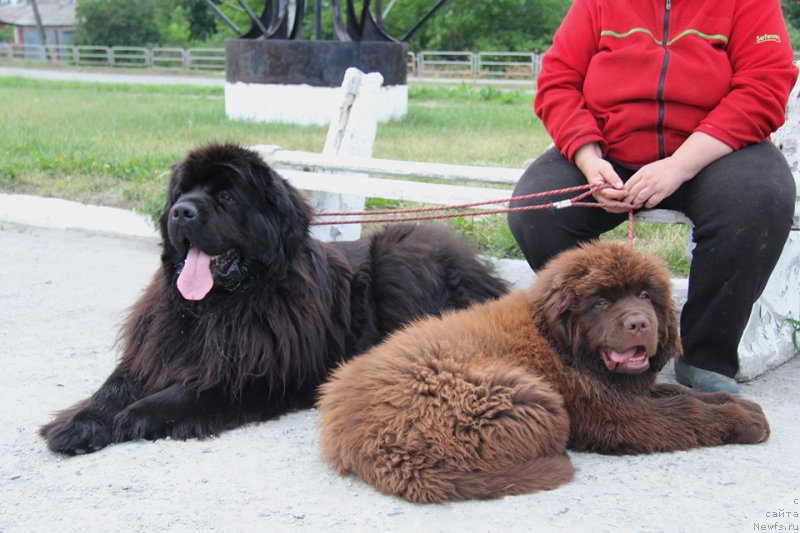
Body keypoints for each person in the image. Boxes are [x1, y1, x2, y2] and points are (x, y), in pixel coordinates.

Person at [508, 0, 798, 394]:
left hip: (715, 150)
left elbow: (764, 85)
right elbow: (558, 82)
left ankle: (703, 355)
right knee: (535, 211)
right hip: (610, 149)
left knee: (759, 202)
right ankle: (591, 344)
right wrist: (590, 161)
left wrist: (679, 166)